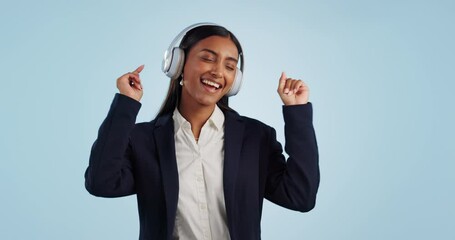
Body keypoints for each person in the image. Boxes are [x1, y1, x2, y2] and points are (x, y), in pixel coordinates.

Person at [85, 23, 320, 240]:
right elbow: (101, 183)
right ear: (178, 64)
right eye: (208, 58)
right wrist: (127, 104)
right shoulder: (143, 140)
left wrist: (297, 112)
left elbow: (300, 196)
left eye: (229, 66)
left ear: (235, 80)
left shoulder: (257, 138)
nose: (218, 72)